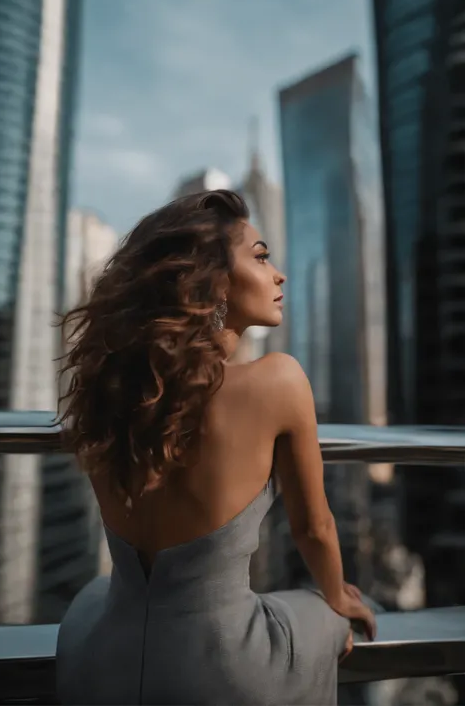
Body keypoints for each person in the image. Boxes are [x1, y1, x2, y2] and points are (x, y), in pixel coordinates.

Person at [56, 189, 376, 706]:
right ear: (213, 282)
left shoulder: (109, 393)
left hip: (101, 654)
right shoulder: (279, 380)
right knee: (321, 615)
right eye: (261, 255)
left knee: (98, 593)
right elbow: (313, 528)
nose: (279, 274)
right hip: (222, 665)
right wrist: (337, 596)